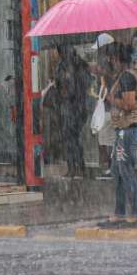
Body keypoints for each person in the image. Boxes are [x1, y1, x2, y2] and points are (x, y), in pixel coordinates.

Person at [98, 43, 137, 228]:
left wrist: (109, 98)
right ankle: (119, 213)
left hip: (128, 130)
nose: (109, 62)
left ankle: (135, 213)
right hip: (125, 130)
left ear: (117, 59)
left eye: (111, 58)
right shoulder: (124, 76)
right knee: (118, 171)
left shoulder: (127, 77)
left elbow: (129, 104)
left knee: (126, 171)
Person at [43, 46, 91, 179]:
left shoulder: (67, 65)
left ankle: (74, 167)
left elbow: (67, 88)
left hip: (70, 107)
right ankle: (79, 167)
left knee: (70, 139)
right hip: (77, 107)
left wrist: (62, 88)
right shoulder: (79, 64)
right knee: (74, 139)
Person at [92, 34, 117, 179]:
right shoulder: (112, 64)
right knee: (109, 139)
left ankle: (108, 168)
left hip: (107, 107)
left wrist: (101, 76)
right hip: (109, 107)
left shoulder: (106, 66)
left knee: (105, 140)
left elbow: (106, 87)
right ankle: (110, 167)